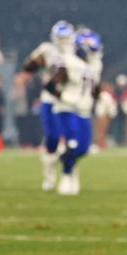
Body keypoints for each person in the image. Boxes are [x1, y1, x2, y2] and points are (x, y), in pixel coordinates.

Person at [48, 29, 102, 196]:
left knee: (83, 149)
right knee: (72, 143)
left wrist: (98, 99)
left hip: (84, 111)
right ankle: (66, 175)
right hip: (67, 109)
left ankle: (62, 158)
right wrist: (65, 97)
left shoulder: (95, 64)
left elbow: (94, 88)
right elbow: (51, 85)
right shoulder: (67, 61)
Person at [22, 20, 75, 191]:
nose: (64, 41)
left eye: (66, 37)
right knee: (52, 137)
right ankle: (49, 172)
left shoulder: (76, 52)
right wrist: (35, 63)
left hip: (68, 99)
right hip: (50, 98)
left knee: (71, 139)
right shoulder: (47, 50)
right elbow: (28, 67)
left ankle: (69, 175)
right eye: (61, 37)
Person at [93, 80, 118, 150]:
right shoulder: (104, 95)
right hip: (103, 115)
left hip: (104, 115)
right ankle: (100, 143)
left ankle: (102, 143)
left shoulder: (106, 95)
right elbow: (106, 106)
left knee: (103, 130)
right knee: (101, 130)